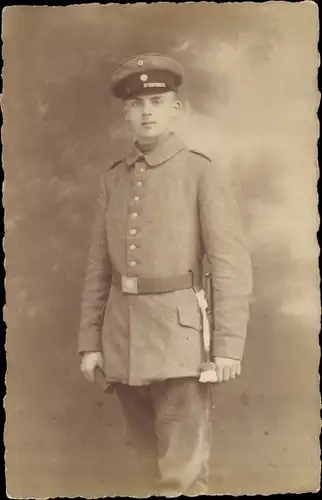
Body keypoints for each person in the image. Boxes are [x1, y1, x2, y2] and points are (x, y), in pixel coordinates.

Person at [78, 52, 252, 496]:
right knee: (142, 470)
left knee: (182, 475)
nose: (146, 113)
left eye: (157, 103)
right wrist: (90, 343)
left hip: (180, 342)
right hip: (122, 340)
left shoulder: (200, 171)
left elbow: (230, 265)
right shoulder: (113, 179)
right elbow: (99, 269)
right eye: (137, 105)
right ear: (126, 113)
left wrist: (229, 347)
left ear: (177, 108)